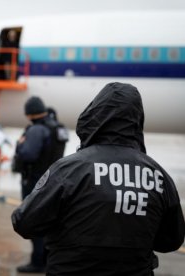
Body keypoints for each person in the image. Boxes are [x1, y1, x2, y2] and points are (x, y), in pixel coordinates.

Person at [11, 82, 185, 275]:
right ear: (137, 119)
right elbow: (171, 240)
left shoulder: (69, 170)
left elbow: (24, 222)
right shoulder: (160, 177)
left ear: (94, 115)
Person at [12, 96, 68, 273]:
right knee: (50, 222)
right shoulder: (58, 127)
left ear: (29, 113)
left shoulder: (37, 130)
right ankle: (47, 259)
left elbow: (28, 155)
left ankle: (37, 262)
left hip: (35, 181)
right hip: (54, 179)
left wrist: (20, 145)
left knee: (34, 220)